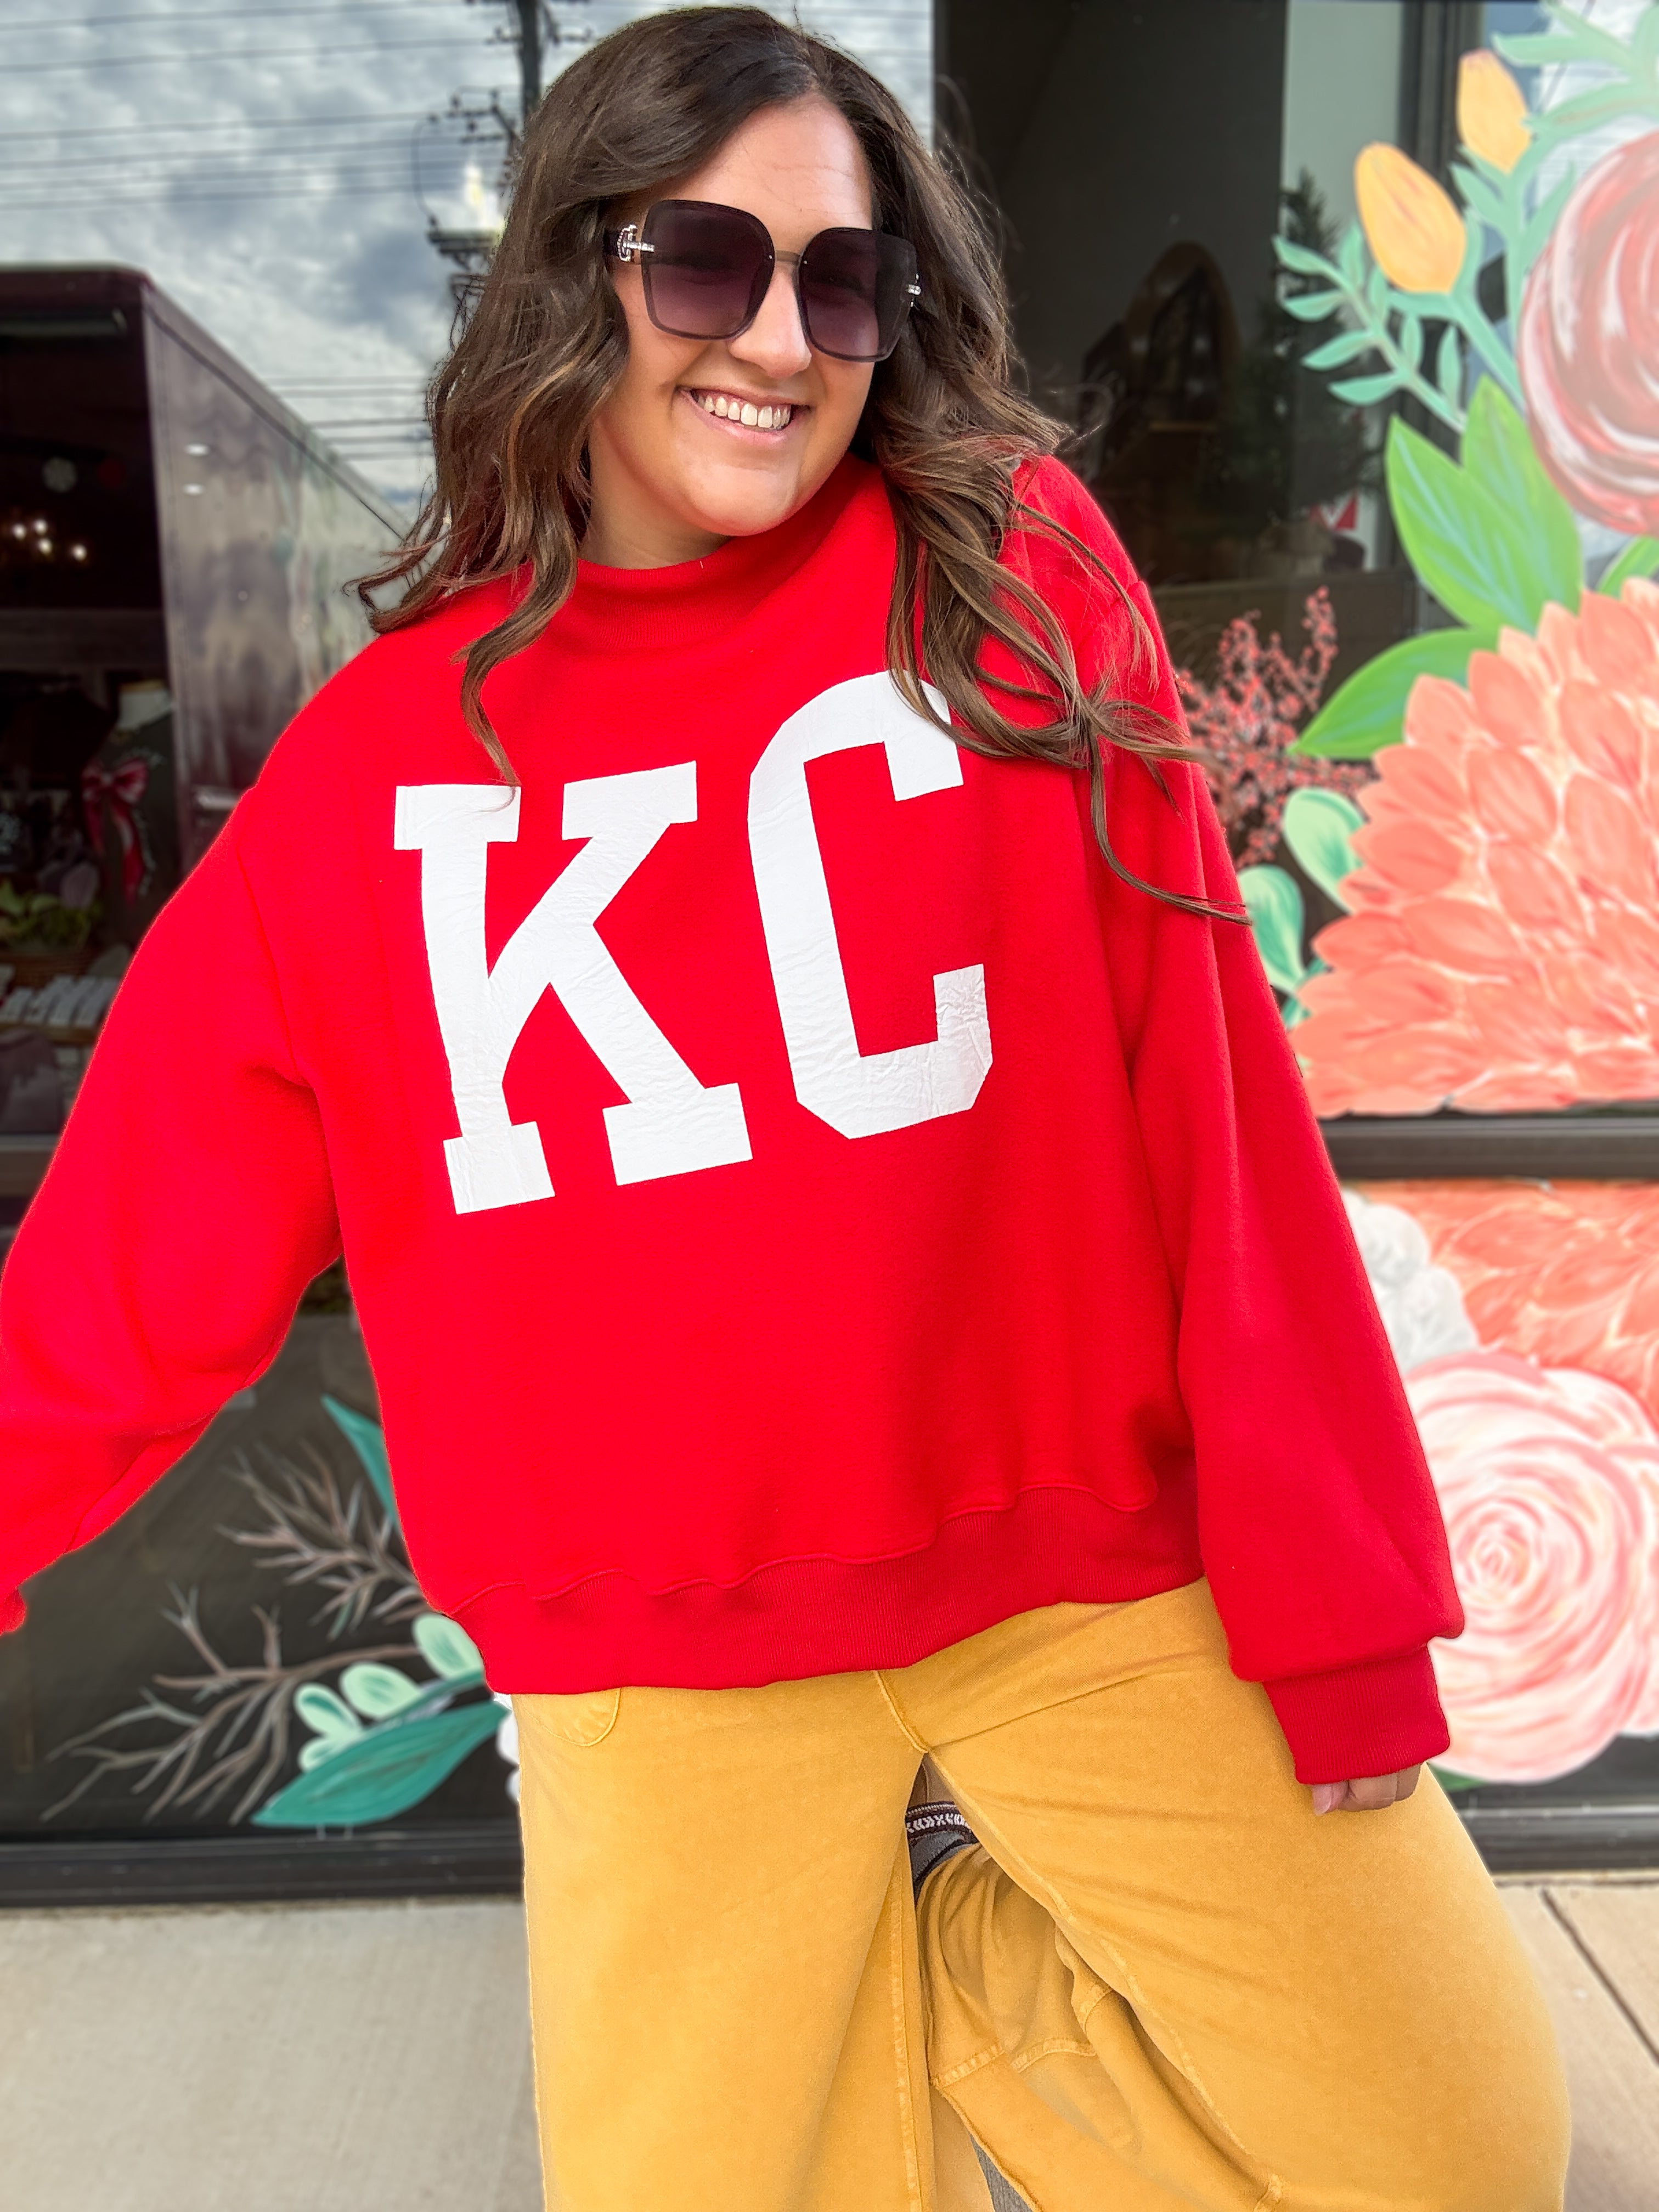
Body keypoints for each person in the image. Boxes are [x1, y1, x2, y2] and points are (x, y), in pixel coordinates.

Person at [0, 10, 1568, 2209]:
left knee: (1459, 2153)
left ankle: (930, 1972)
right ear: (576, 275)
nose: (778, 338)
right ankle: (828, 1996)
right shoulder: (373, 775)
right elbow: (125, 1276)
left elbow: (1213, 1107)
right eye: (704, 261)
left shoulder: (1006, 577)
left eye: (845, 282)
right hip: (660, 1670)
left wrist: (1343, 1608)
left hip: (1089, 1584)